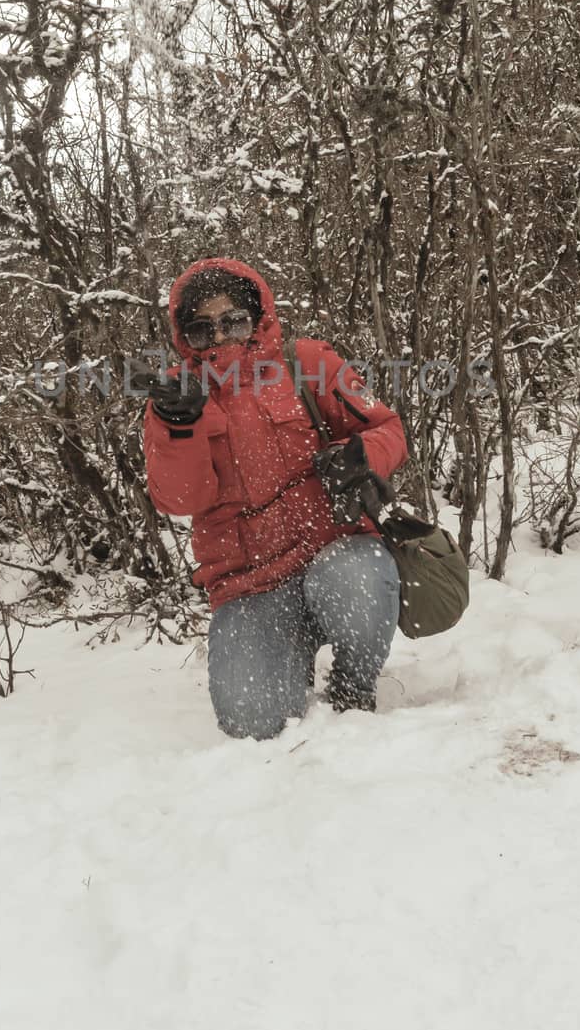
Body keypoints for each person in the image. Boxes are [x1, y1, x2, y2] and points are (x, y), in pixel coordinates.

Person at [140, 257, 408, 740]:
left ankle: (354, 688)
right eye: (203, 329)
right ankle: (288, 650)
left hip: (335, 553)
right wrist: (177, 428)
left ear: (255, 316)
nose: (220, 338)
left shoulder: (306, 363)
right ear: (186, 337)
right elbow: (179, 499)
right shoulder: (177, 397)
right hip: (251, 585)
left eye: (232, 322)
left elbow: (387, 428)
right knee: (250, 723)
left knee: (359, 585)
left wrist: (363, 457)